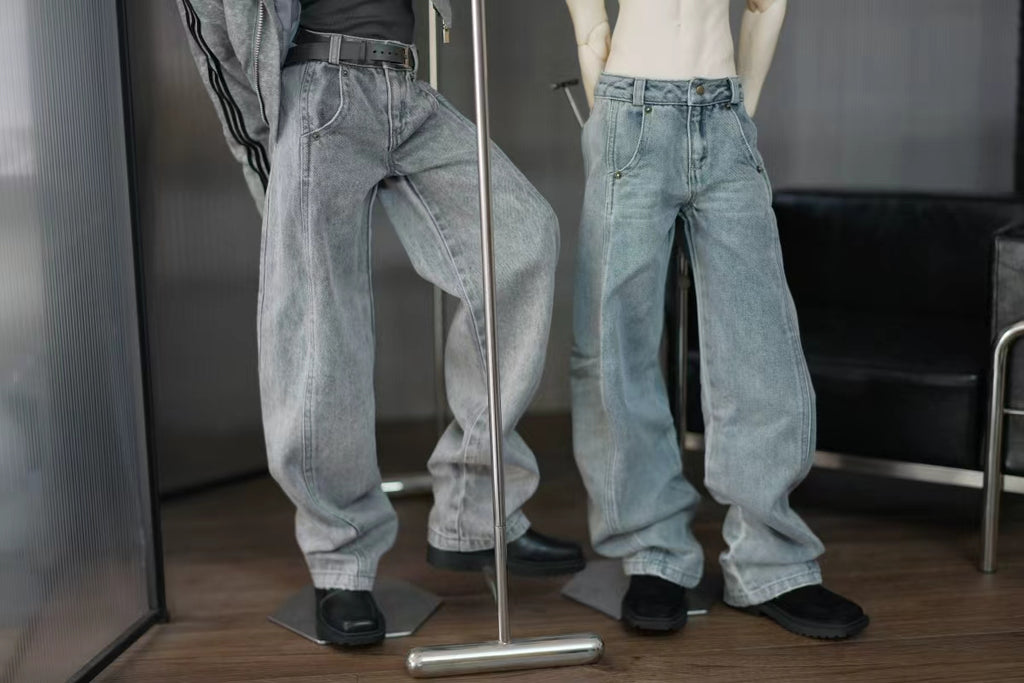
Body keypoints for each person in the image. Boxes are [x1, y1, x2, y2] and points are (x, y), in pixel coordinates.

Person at [175, 0, 585, 647]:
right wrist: (269, 146)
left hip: (403, 84)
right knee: (323, 330)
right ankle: (341, 559)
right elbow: (212, 29)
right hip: (318, 90)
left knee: (521, 239)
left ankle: (474, 512)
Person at [565, 0, 869, 639]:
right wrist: (610, 124)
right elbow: (590, 24)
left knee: (760, 342)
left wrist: (738, 114)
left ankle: (771, 563)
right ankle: (651, 551)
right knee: (613, 343)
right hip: (629, 114)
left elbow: (765, 3)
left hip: (723, 111)